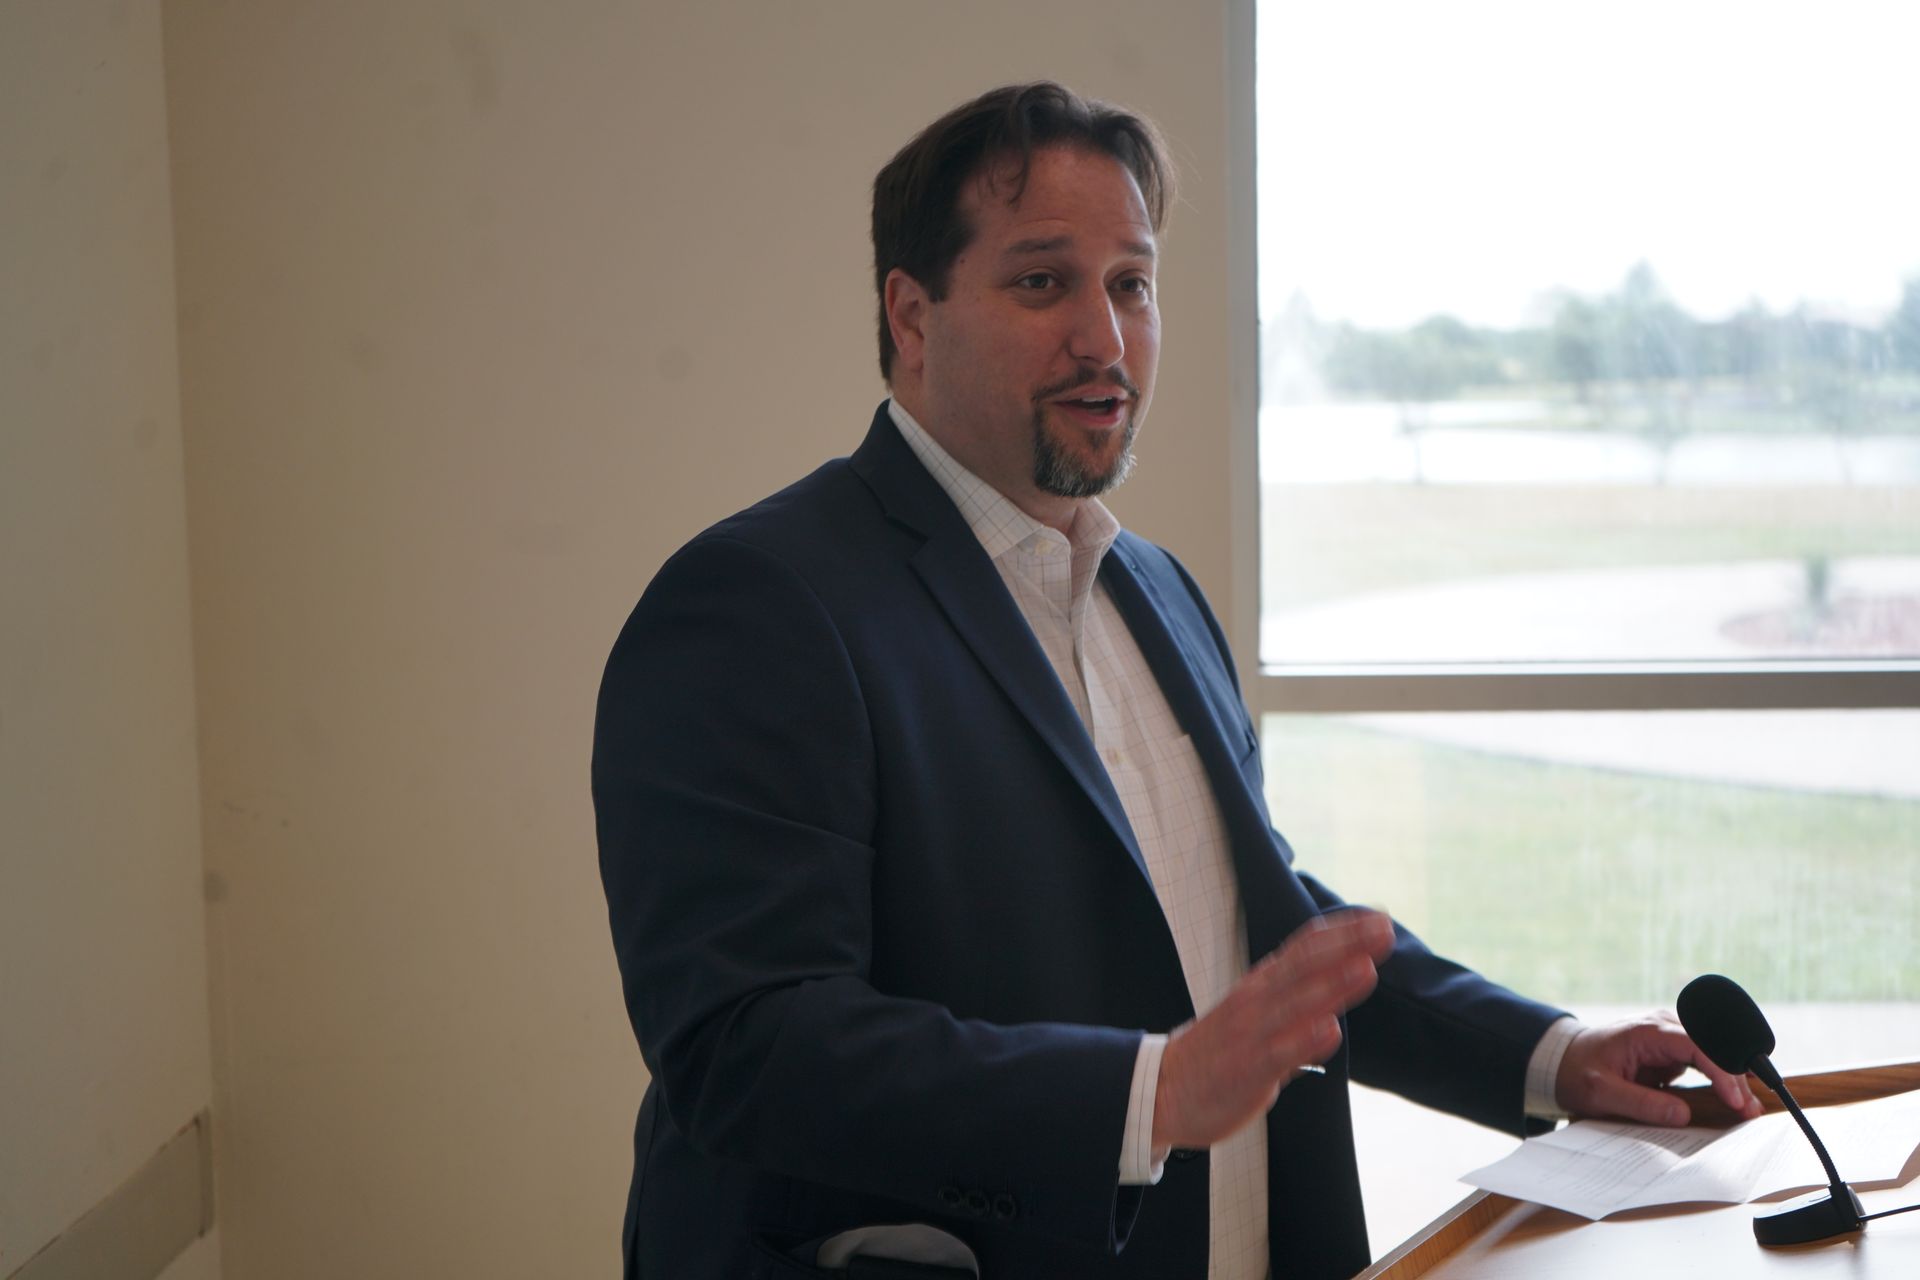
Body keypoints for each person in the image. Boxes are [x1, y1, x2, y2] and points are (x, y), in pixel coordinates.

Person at [592, 81, 1761, 1280]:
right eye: (1044, 281)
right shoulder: (757, 601)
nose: (1105, 337)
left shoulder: (1155, 587)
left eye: (1132, 283)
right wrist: (1150, 1092)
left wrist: (1553, 1055)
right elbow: (747, 1045)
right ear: (911, 317)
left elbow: (1254, 926)